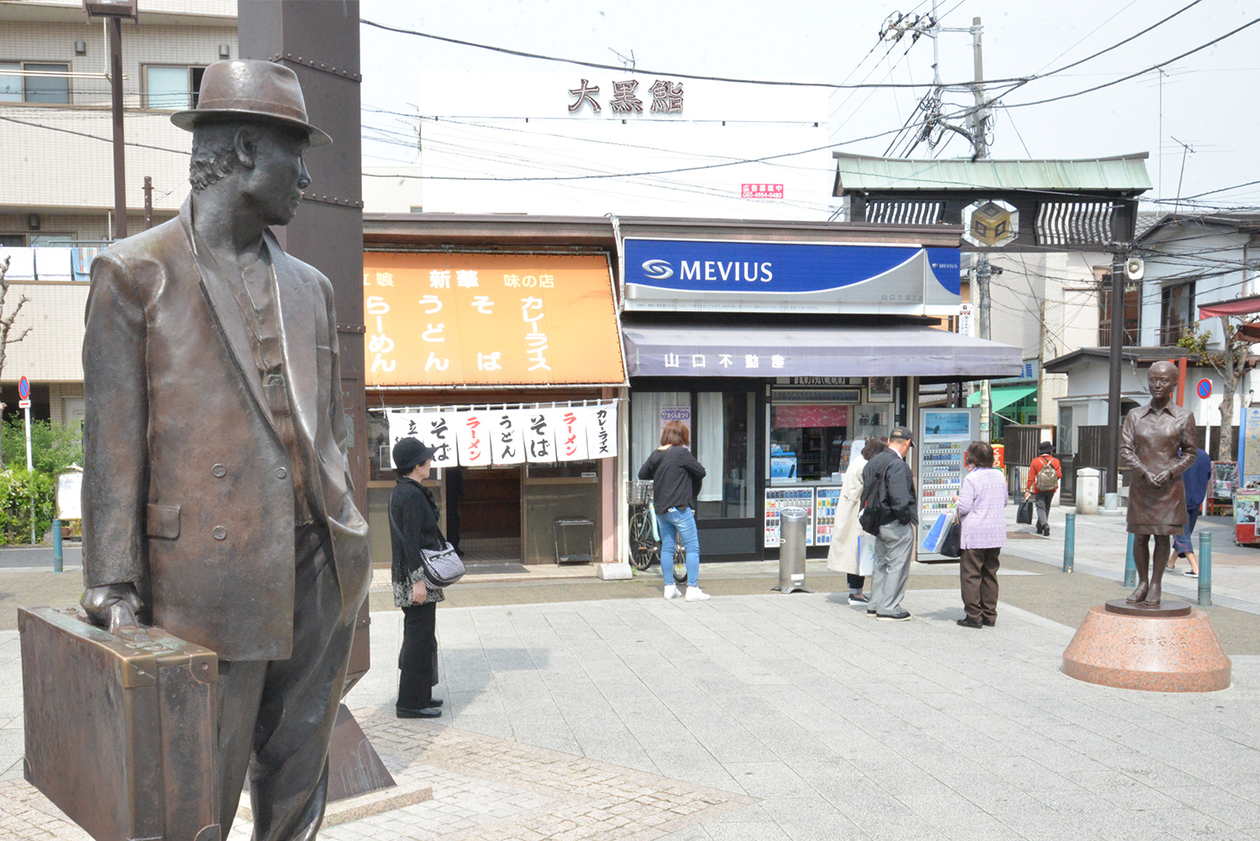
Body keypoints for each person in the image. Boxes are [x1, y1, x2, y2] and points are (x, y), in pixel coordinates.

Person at [78, 60, 371, 840]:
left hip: (318, 567)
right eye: (293, 154)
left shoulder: (310, 287)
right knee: (197, 797)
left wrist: (349, 529)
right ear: (242, 151)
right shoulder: (137, 273)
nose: (306, 178)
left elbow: (332, 431)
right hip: (204, 580)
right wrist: (111, 582)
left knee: (300, 784)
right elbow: (110, 442)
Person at [1119, 360, 1199, 605]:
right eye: (1153, 379)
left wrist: (1170, 471)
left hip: (1169, 488)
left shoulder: (1184, 417)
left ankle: (1156, 585)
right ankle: (1141, 583)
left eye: (1163, 380)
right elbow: (1125, 449)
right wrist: (1143, 471)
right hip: (1142, 486)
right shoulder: (1135, 415)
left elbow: (1190, 453)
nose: (1157, 385)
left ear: (1173, 384)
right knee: (1140, 536)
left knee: (1162, 537)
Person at [388, 438, 446, 719]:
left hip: (413, 575)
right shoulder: (410, 495)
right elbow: (411, 542)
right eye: (427, 459)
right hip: (416, 577)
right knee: (418, 639)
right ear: (417, 465)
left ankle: (419, 695)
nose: (430, 463)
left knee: (421, 636)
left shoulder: (404, 490)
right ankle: (410, 703)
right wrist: (418, 582)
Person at [638, 420, 708, 601]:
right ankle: (692, 589)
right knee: (692, 548)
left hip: (661, 509)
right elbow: (700, 472)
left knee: (667, 548)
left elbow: (642, 474)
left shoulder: (656, 454)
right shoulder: (681, 453)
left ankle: (669, 587)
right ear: (681, 436)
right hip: (680, 508)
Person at [860, 427, 918, 621]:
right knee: (897, 565)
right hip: (894, 521)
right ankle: (889, 606)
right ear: (907, 443)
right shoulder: (897, 464)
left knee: (881, 564)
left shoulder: (874, 461)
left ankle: (875, 604)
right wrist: (905, 517)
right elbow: (900, 497)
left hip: (876, 521)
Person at [827, 436, 888, 606]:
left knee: (854, 552)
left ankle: (855, 591)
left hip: (851, 512)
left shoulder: (858, 461)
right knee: (859, 554)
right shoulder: (865, 466)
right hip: (857, 514)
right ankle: (856, 594)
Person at [955, 441, 1007, 628]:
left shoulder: (971, 479)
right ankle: (990, 614)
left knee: (971, 574)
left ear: (972, 458)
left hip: (975, 534)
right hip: (996, 533)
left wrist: (957, 501)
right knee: (990, 573)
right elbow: (1005, 501)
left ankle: (973, 615)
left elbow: (965, 507)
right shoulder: (999, 476)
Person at [1173, 447, 1211, 577]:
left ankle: (1196, 568)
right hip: (1197, 499)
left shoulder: (1177, 455)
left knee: (1182, 534)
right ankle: (1170, 562)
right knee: (1186, 533)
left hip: (1179, 500)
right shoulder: (1204, 455)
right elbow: (1208, 475)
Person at [1024, 441, 1062, 536]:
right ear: (1050, 451)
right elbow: (1059, 475)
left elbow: (1031, 478)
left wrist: (1027, 489)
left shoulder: (1035, 461)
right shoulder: (1056, 461)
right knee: (1047, 507)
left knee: (1040, 507)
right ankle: (1040, 526)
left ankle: (1044, 525)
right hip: (1051, 489)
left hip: (1039, 488)